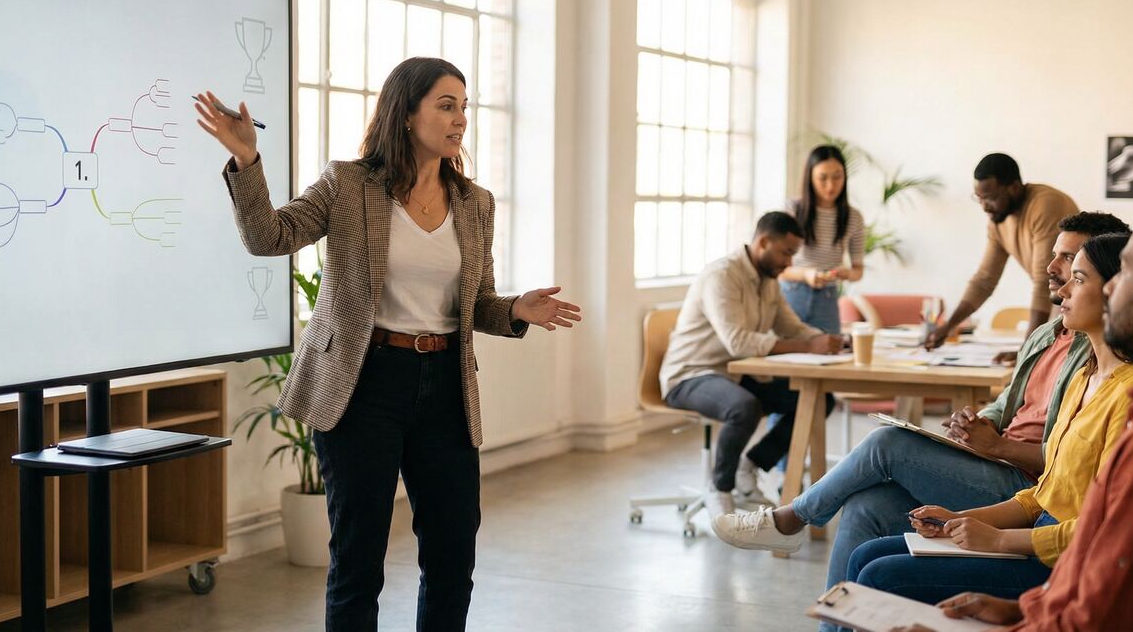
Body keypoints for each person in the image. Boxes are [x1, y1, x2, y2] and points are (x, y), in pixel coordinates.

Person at [194, 57, 581, 632]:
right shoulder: (348, 185)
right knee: (358, 561)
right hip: (362, 384)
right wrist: (247, 159)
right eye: (446, 106)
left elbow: (478, 303)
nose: (460, 121)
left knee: (453, 556)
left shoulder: (476, 204)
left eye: (464, 108)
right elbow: (268, 237)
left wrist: (516, 310)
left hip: (446, 386)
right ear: (405, 114)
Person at [710, 213, 1129, 608]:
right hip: (1009, 478)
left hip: (1017, 481)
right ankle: (834, 622)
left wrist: (997, 450)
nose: (1052, 268)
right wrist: (978, 424)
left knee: (886, 444)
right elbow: (1012, 409)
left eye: (1072, 265)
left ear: (1110, 289)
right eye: (1056, 256)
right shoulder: (1055, 343)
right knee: (864, 507)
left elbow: (1068, 487)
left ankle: (790, 519)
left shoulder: (1106, 370)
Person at [890, 209, 1133, 632]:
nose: (1109, 287)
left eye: (1125, 271)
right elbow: (1095, 565)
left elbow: (1102, 618)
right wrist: (1023, 610)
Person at [841, 233, 1133, 605]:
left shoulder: (1131, 396)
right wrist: (958, 519)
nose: (1062, 291)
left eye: (1078, 280)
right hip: (1035, 536)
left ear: (1115, 292)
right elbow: (1042, 497)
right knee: (864, 556)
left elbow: (1107, 529)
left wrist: (999, 539)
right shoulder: (1083, 378)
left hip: (1064, 563)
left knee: (879, 573)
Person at [660, 211, 844, 516]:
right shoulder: (721, 276)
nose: (789, 262)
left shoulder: (768, 280)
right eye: (786, 252)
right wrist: (808, 345)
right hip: (690, 375)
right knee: (742, 407)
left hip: (736, 374)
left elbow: (791, 326)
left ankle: (750, 466)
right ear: (762, 242)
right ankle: (720, 488)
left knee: (817, 400)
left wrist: (827, 340)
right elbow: (738, 342)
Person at [924, 153, 1078, 357]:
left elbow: (1044, 278)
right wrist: (949, 325)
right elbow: (984, 280)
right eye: (979, 199)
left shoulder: (1046, 204)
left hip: (1077, 299)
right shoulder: (998, 221)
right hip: (1057, 299)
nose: (984, 206)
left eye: (991, 198)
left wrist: (1026, 350)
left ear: (1013, 188)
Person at [780, 144, 866, 332]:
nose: (831, 185)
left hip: (827, 298)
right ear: (810, 177)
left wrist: (847, 274)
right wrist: (806, 274)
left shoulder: (853, 218)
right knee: (784, 356)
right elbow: (778, 269)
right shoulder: (792, 210)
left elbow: (858, 270)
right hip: (790, 295)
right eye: (823, 178)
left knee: (829, 355)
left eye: (837, 177)